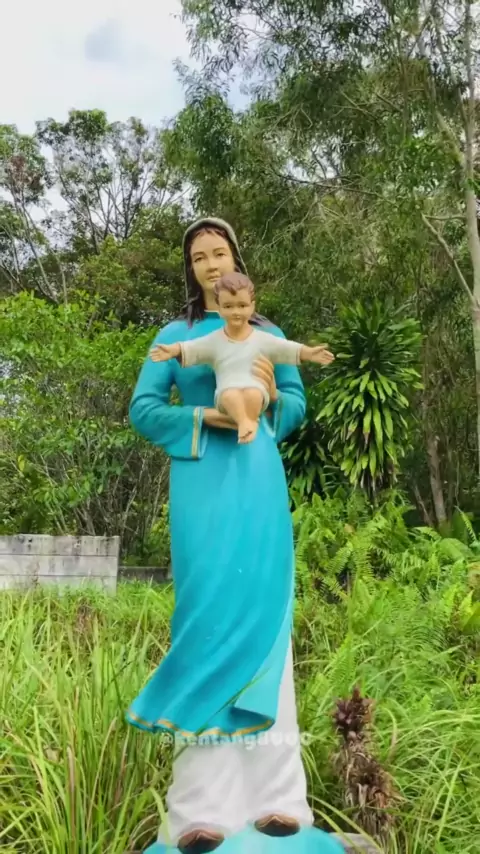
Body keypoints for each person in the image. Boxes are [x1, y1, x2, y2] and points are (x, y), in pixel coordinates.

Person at [126, 217, 343, 854]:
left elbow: (296, 405)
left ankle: (280, 800)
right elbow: (144, 410)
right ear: (190, 268)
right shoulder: (175, 336)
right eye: (199, 257)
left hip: (256, 481)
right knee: (205, 623)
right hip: (202, 486)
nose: (211, 264)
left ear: (236, 260)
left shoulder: (269, 332)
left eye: (220, 253)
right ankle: (201, 807)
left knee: (267, 616)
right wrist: (205, 417)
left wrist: (272, 402)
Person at [150, 271, 334, 444]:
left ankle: (249, 422)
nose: (236, 312)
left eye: (242, 305)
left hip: (256, 389)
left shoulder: (263, 339)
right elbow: (193, 348)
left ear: (252, 306)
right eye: (228, 306)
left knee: (254, 394)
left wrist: (310, 353)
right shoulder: (214, 341)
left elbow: (286, 349)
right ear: (219, 308)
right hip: (226, 393)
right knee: (230, 396)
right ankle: (244, 422)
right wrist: (172, 350)